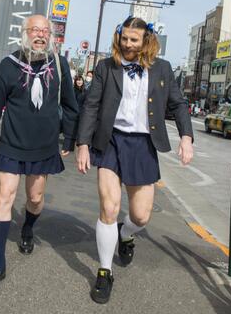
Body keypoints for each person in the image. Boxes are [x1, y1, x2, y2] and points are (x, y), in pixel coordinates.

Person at [76, 16, 194, 304]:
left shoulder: (163, 68)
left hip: (143, 145)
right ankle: (104, 271)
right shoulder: (106, 66)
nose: (127, 44)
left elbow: (177, 104)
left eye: (134, 40)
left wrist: (186, 138)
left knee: (141, 216)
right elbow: (91, 104)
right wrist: (82, 144)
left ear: (146, 41)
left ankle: (125, 234)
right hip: (111, 141)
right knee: (109, 207)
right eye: (124, 38)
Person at [0, 14, 79, 291]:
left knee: (35, 197)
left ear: (51, 36)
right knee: (4, 194)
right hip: (12, 141)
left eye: (45, 31)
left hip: (44, 144)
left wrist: (70, 139)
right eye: (35, 30)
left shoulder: (60, 65)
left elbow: (70, 105)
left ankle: (28, 227)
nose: (40, 35)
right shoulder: (9, 65)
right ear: (25, 33)